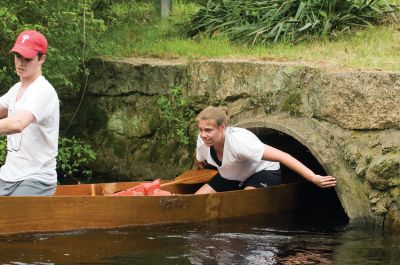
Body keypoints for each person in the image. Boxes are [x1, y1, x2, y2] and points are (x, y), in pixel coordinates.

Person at [194, 106, 336, 194]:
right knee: (196, 201)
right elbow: (199, 158)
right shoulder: (202, 139)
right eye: (200, 130)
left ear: (222, 128)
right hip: (231, 174)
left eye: (208, 130)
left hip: (262, 171)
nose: (203, 134)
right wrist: (199, 162)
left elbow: (283, 156)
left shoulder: (240, 143)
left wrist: (313, 177)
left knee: (246, 202)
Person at [0, 30, 59, 196]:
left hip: (35, 179)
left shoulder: (43, 91)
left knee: (7, 220)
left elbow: (17, 124)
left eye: (28, 59)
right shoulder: (16, 89)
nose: (21, 63)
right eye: (18, 56)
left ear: (42, 59)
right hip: (7, 176)